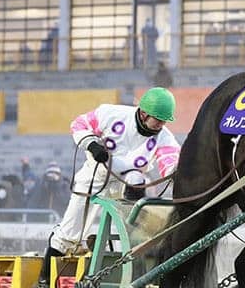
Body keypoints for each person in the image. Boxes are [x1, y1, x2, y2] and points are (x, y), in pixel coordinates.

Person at [36, 87, 181, 288]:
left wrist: (177, 173)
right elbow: (79, 124)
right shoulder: (110, 113)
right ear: (144, 113)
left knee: (136, 181)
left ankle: (126, 261)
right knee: (71, 234)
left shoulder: (165, 137)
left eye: (165, 121)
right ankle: (44, 279)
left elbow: (170, 163)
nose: (161, 125)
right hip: (95, 176)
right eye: (158, 120)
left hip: (127, 182)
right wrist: (92, 144)